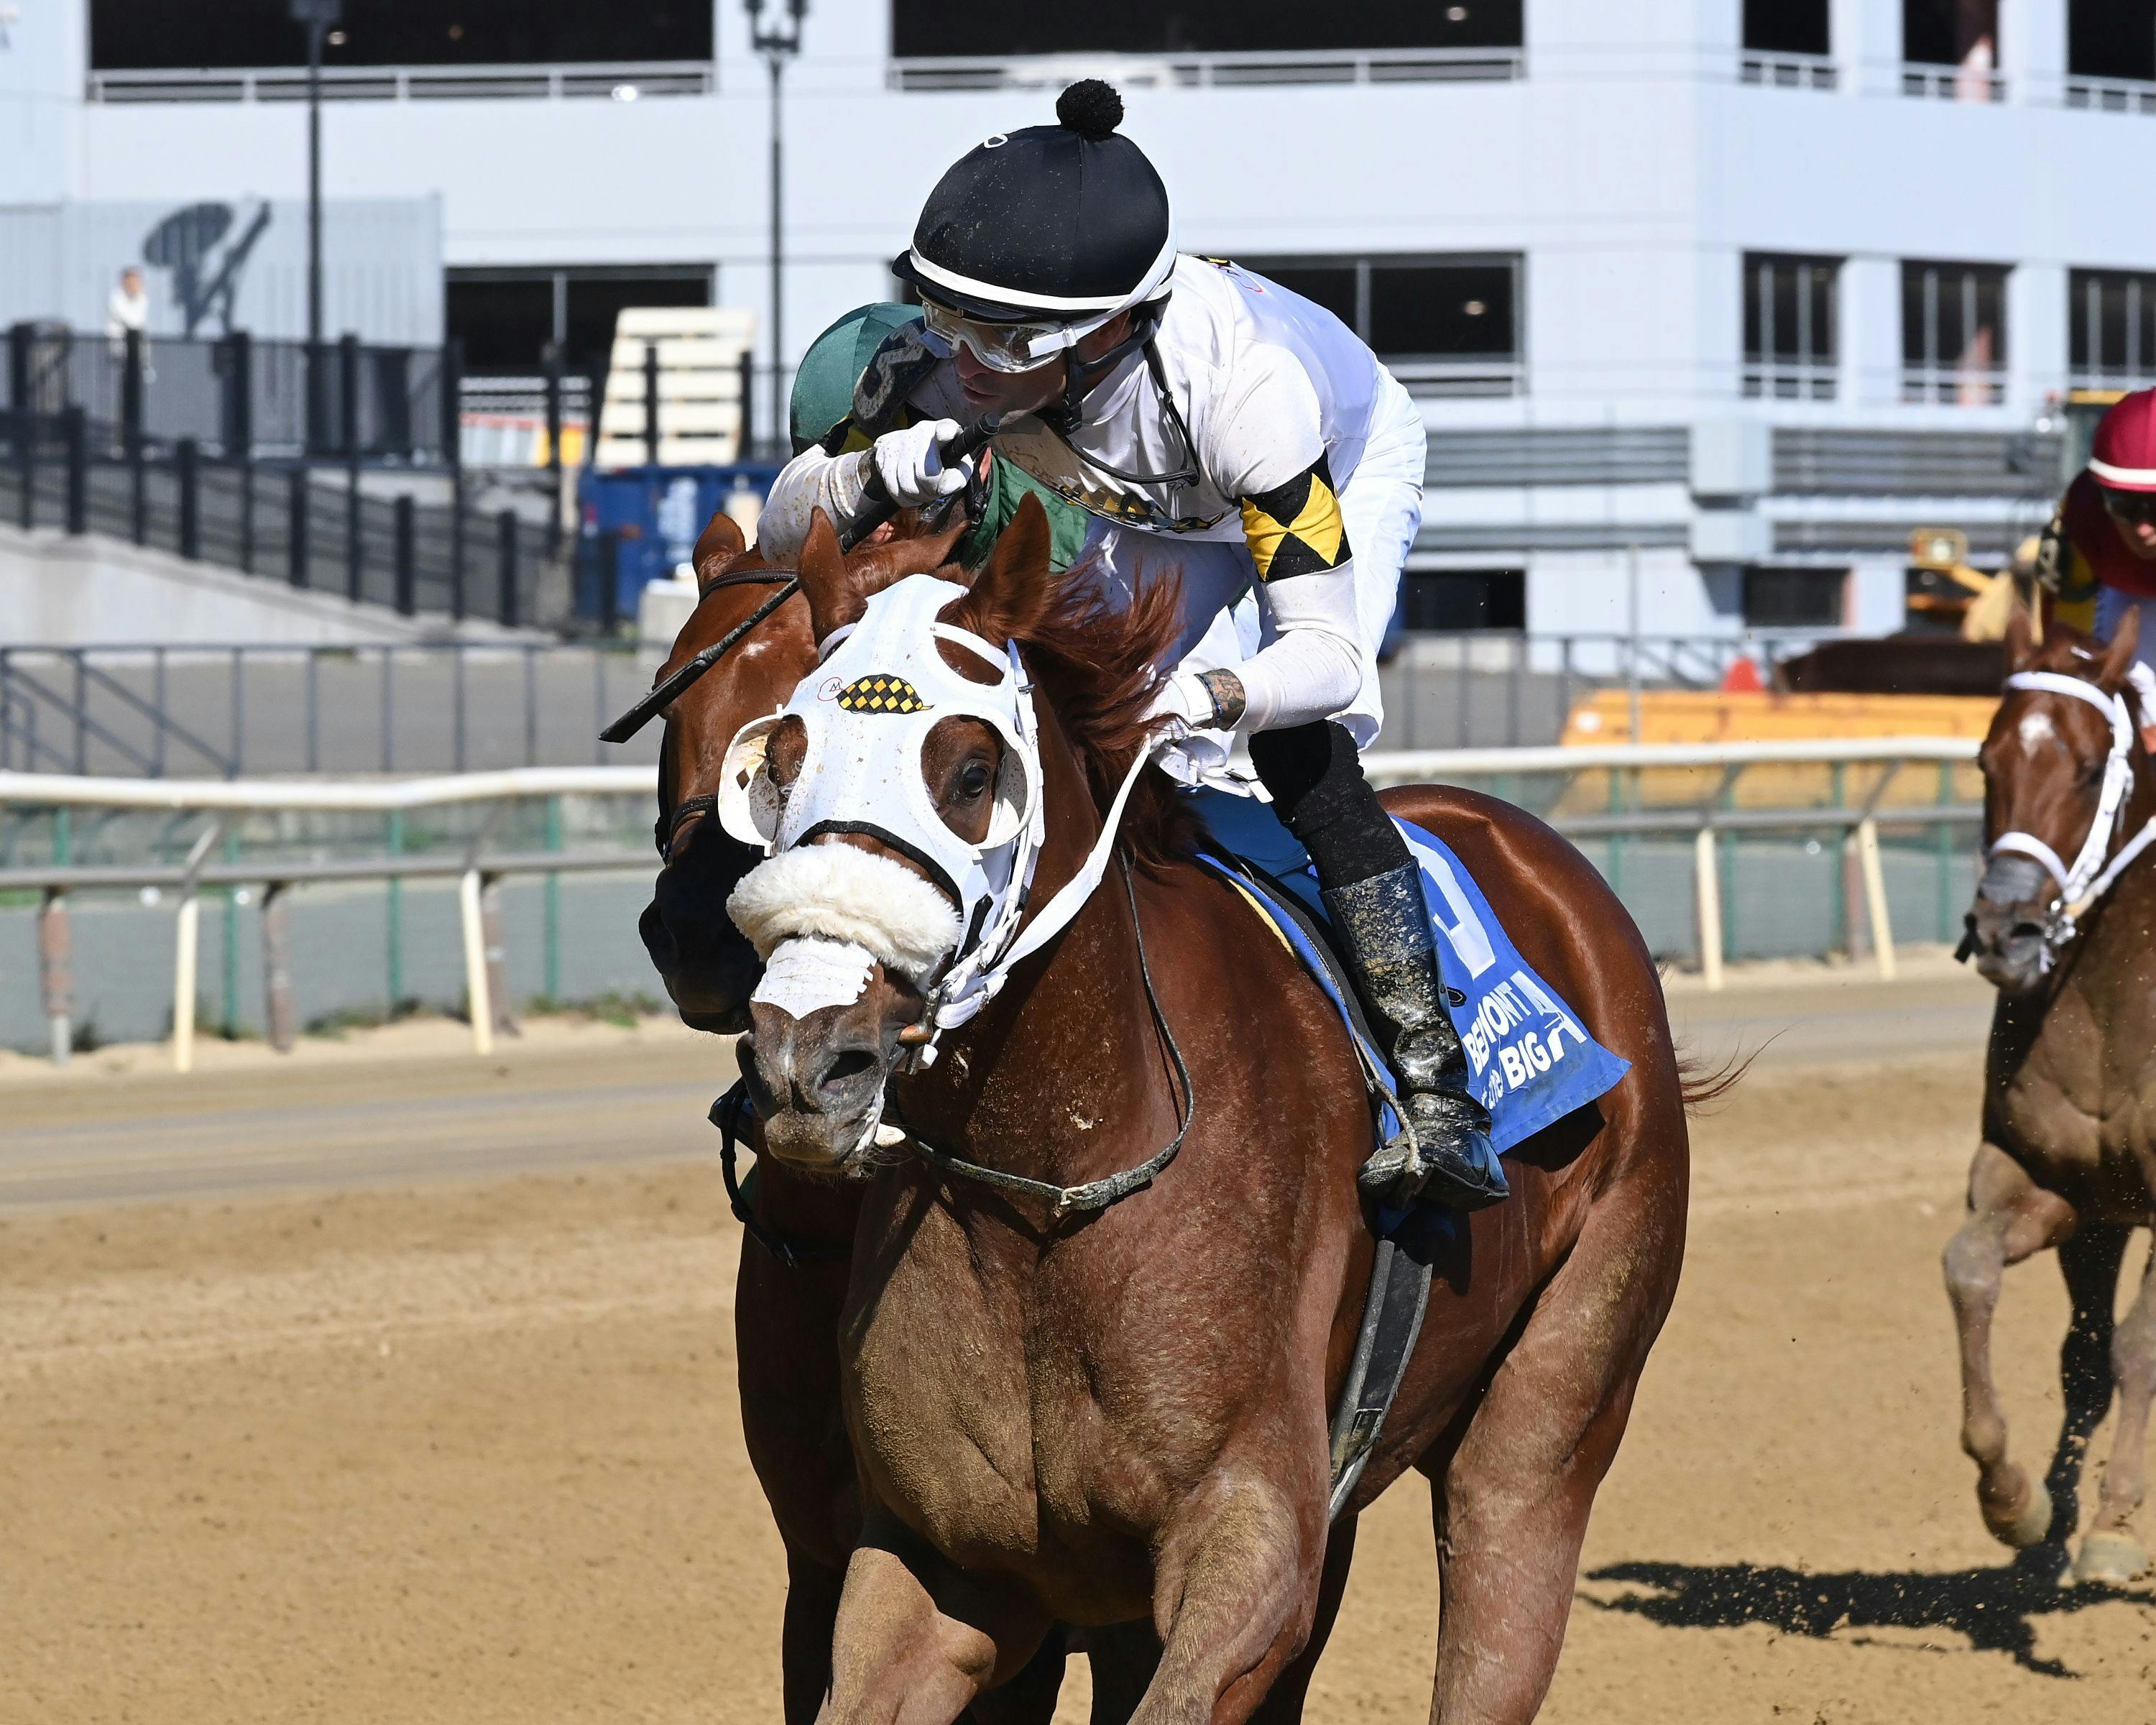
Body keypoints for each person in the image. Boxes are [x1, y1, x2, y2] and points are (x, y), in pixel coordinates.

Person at [757, 81, 1504, 1208]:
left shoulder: (1251, 391)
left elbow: (1329, 659)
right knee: (1065, 696)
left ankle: (1434, 1087)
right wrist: (872, 472)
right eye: (940, 317)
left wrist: (1211, 692)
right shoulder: (961, 351)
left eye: (989, 340)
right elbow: (778, 532)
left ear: (1100, 330)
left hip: (1327, 472)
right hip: (1146, 506)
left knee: (1295, 740)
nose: (952, 360)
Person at [2037, 387, 2156, 739]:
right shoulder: (2083, 515)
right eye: (2123, 505)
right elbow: (2062, 636)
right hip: (2122, 598)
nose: (2143, 528)